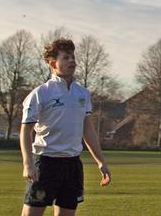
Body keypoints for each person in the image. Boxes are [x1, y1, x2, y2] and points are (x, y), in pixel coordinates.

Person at [20, 38, 111, 216]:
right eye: (66, 57)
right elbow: (26, 131)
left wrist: (101, 162)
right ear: (53, 63)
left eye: (73, 57)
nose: (72, 61)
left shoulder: (82, 93)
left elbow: (88, 130)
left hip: (72, 164)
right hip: (45, 163)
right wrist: (28, 164)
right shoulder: (41, 93)